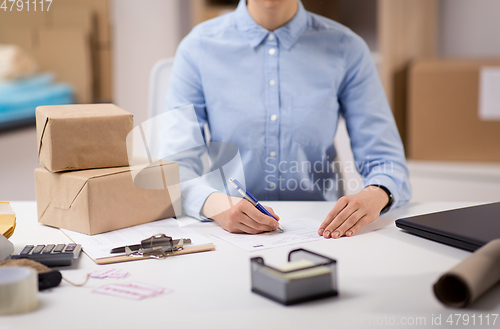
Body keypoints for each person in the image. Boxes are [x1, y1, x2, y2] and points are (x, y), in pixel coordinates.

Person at [165, 0, 412, 238]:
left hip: (323, 230)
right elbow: (173, 166)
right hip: (225, 233)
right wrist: (217, 205)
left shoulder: (347, 47)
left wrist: (376, 194)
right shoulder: (197, 47)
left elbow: (385, 159)